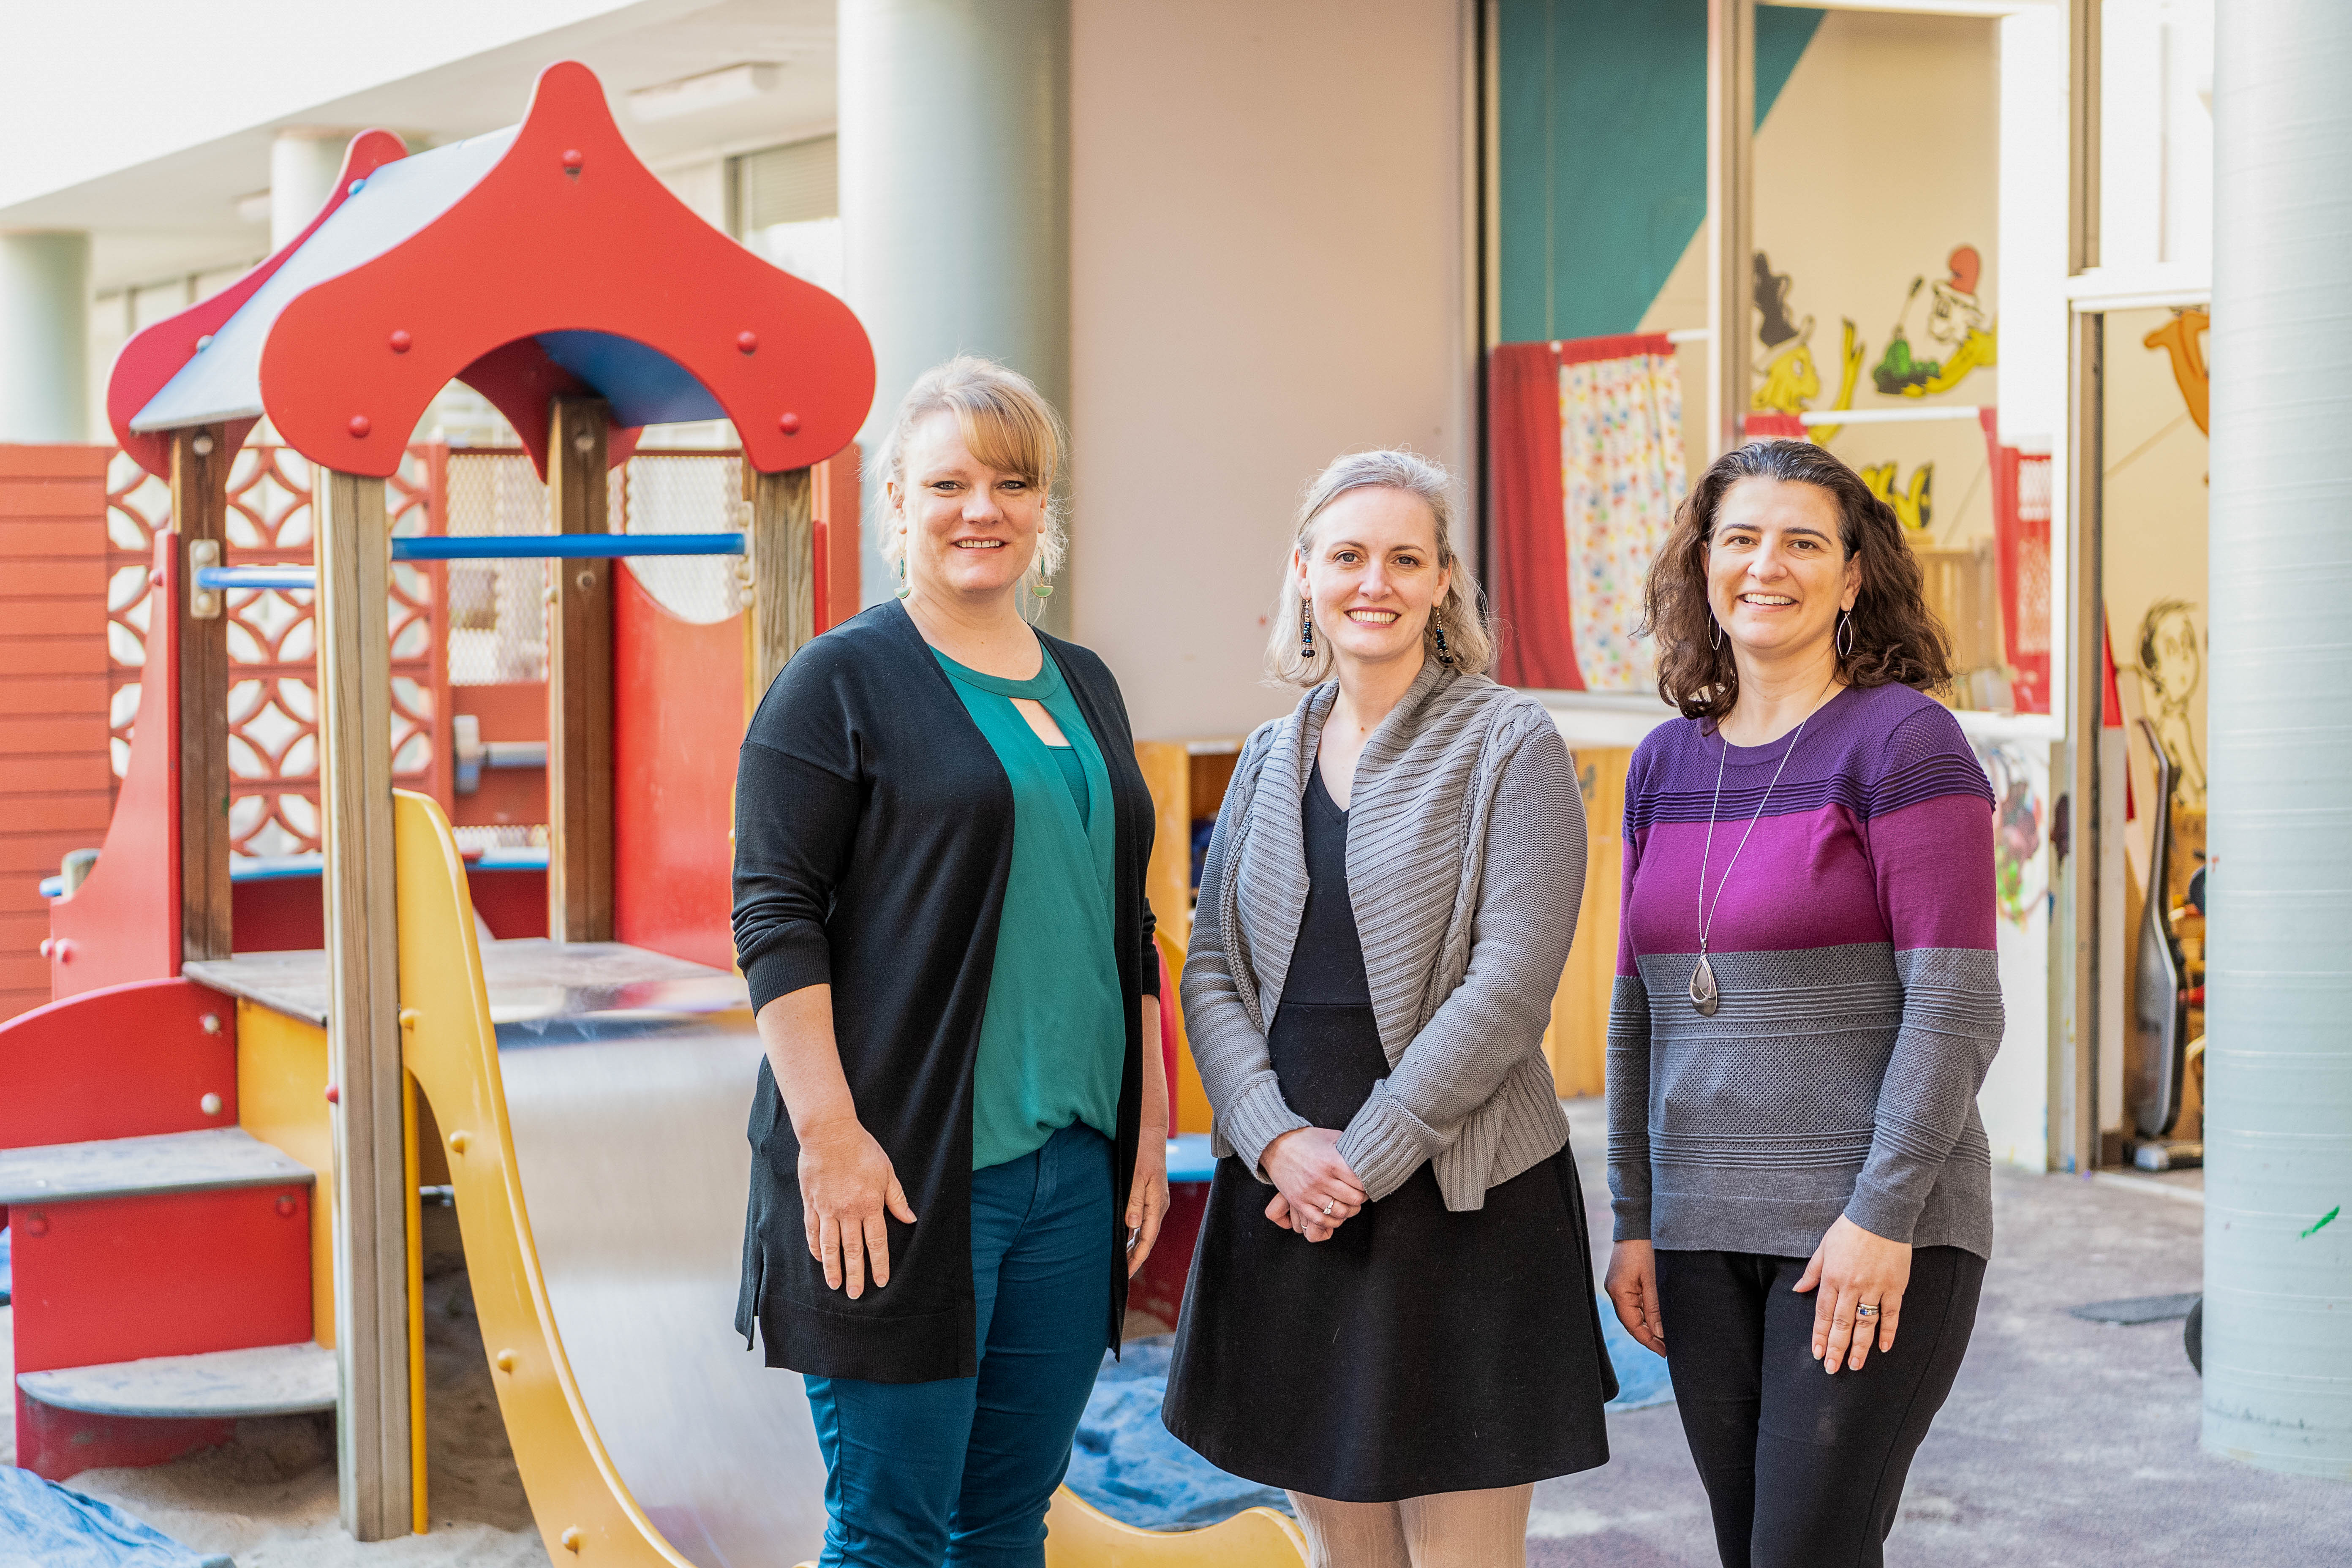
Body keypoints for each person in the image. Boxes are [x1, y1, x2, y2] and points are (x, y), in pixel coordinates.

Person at [730, 357, 1170, 1568]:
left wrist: (1147, 1125)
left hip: (1072, 1174)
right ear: (895, 500)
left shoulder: (1085, 683)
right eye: (951, 482)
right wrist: (829, 1138)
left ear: (1046, 505)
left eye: (1013, 482)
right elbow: (774, 917)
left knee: (1003, 1526)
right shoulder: (837, 684)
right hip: (905, 1174)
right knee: (893, 1534)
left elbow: (1126, 922)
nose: (983, 509)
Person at [1163, 449, 1616, 1568]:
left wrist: (1360, 1157)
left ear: (1443, 581)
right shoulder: (1270, 756)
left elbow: (1512, 984)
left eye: (1406, 559)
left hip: (1458, 1203)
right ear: (1306, 574)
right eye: (1351, 555)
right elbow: (1213, 961)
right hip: (1293, 1199)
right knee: (1347, 1558)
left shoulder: (1510, 742)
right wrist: (1274, 1140)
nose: (1376, 582)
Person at [1603, 438, 2004, 1568]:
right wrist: (1634, 1214)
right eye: (1739, 538)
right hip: (1698, 1227)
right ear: (1703, 563)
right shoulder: (1661, 766)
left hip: (1866, 1231)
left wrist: (1883, 1217)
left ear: (1852, 573)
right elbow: (1639, 1014)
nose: (1764, 565)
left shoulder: (1904, 742)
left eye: (1801, 541)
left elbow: (1955, 1008)